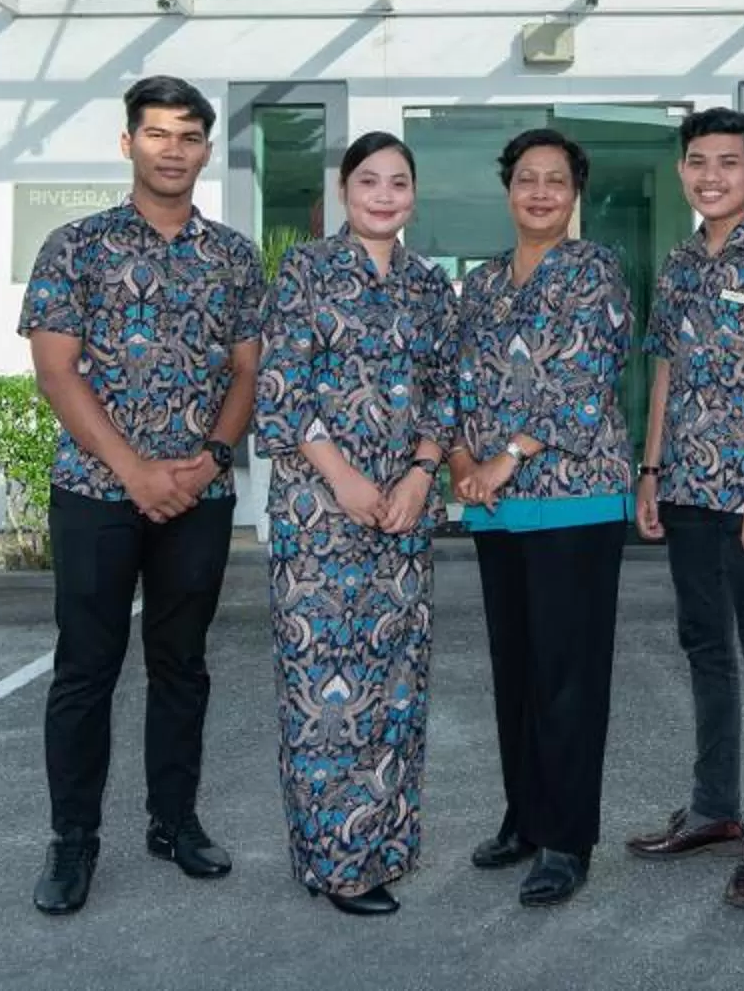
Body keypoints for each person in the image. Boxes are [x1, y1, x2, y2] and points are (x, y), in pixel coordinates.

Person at [20, 75, 263, 917]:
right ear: (129, 144)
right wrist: (133, 471)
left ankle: (174, 822)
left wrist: (209, 458)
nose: (173, 149)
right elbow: (56, 370)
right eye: (157, 133)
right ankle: (73, 843)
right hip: (96, 491)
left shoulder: (233, 255)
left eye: (189, 136)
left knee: (182, 664)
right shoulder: (75, 246)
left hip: (198, 492)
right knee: (86, 669)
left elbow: (247, 370)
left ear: (205, 149)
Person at [624, 107, 744, 910]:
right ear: (683, 170)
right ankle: (714, 810)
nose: (712, 176)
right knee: (705, 648)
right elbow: (666, 369)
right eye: (698, 162)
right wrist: (650, 468)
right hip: (689, 489)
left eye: (729, 163)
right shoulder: (678, 264)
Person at [252, 130, 456, 917]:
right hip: (320, 517)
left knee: (396, 684)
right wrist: (343, 480)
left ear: (413, 195)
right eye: (367, 180)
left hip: (402, 516)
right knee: (325, 691)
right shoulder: (304, 271)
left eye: (397, 182)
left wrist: (418, 473)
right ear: (343, 191)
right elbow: (282, 390)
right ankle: (338, 862)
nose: (383, 194)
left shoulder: (430, 286)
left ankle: (389, 843)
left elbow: (447, 392)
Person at [449, 127, 634, 909]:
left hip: (575, 501)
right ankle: (524, 817)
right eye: (527, 178)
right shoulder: (482, 286)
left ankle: (566, 839)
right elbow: (457, 381)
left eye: (556, 181)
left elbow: (584, 382)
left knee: (568, 676)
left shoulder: (597, 271)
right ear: (508, 188)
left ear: (575, 193)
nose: (540, 192)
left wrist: (505, 455)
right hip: (498, 509)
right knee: (517, 671)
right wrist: (463, 461)